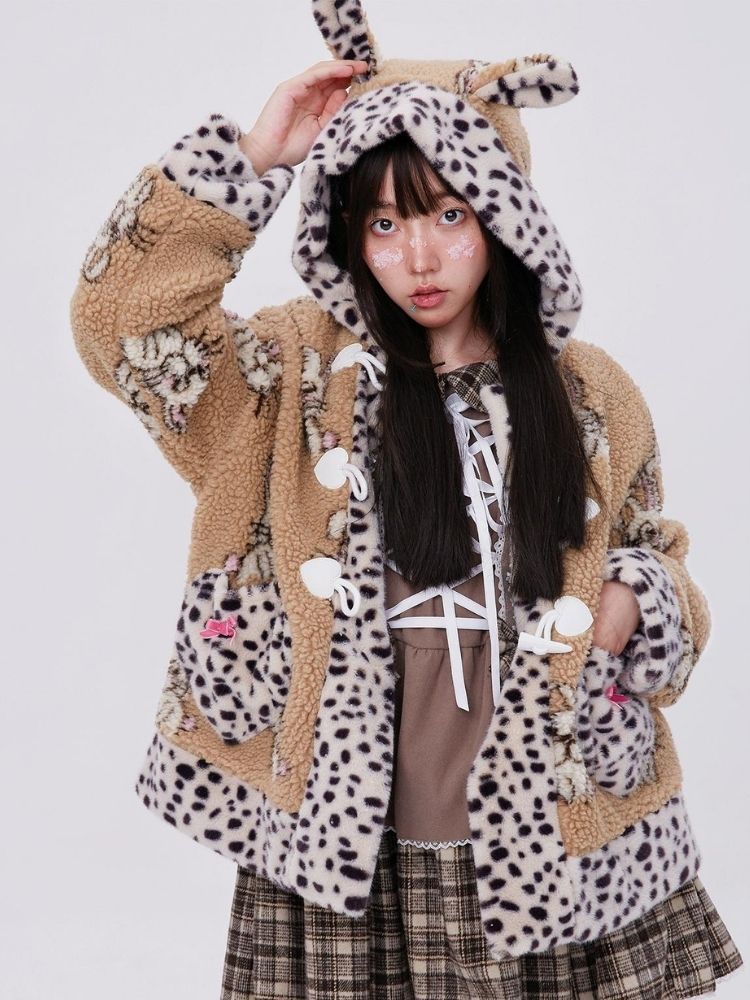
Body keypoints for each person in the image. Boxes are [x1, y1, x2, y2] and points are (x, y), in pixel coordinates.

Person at [69, 2, 744, 997]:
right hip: (349, 842)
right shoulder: (287, 378)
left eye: (448, 214)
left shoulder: (589, 394)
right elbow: (122, 325)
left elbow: (657, 550)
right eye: (383, 223)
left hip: (546, 831)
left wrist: (632, 603)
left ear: (502, 215)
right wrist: (254, 159)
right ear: (348, 230)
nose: (417, 258)